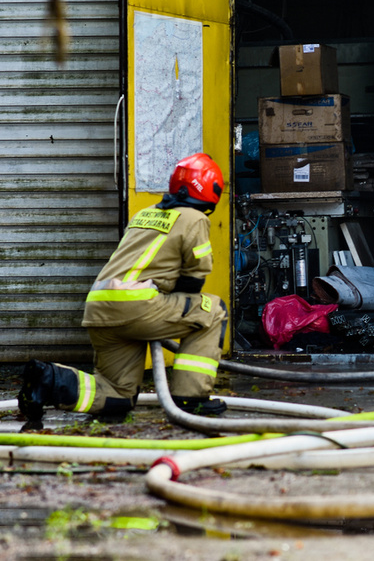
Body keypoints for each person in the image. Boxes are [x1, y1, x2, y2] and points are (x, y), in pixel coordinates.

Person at [17, 153, 229, 428]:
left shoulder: (146, 214)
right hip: (137, 306)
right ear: (210, 190)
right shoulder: (195, 218)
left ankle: (48, 380)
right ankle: (190, 398)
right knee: (213, 309)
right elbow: (194, 277)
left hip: (100, 307)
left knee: (116, 396)